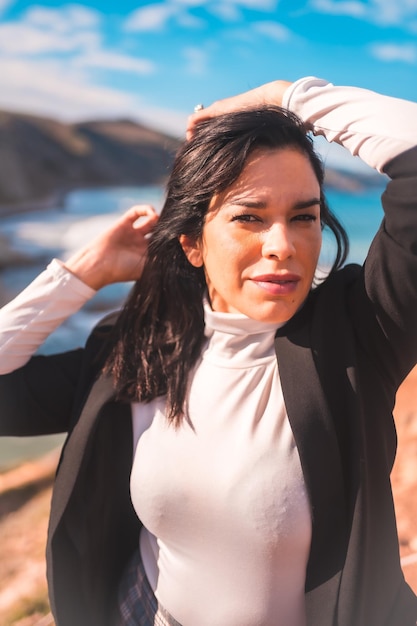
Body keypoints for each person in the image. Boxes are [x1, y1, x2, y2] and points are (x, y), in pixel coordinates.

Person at [1, 76, 417, 626]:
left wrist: (285, 97)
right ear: (193, 242)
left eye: (304, 216)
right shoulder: (140, 351)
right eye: (249, 217)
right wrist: (83, 273)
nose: (282, 246)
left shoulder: (357, 332)